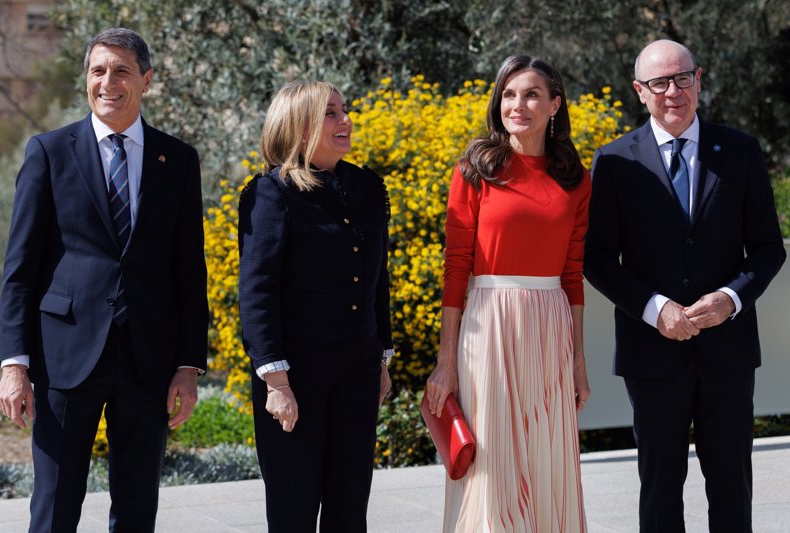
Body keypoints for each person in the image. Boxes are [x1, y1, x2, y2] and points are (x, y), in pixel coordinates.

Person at [0, 28, 208, 532]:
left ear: (146, 80)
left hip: (148, 359)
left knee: (137, 506)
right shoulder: (49, 152)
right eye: (97, 70)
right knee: (54, 506)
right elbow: (20, 268)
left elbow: (188, 270)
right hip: (64, 356)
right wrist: (14, 364)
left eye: (121, 71)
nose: (107, 82)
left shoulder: (177, 160)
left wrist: (188, 365)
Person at [584, 39, 786, 532]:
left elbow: (768, 247)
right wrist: (657, 310)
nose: (672, 92)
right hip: (652, 352)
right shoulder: (614, 161)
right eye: (659, 83)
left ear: (699, 80)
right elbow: (598, 259)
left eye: (682, 78)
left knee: (732, 485)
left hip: (728, 350)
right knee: (660, 488)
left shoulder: (740, 151)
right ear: (640, 91)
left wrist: (730, 299)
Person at [426, 55, 591, 532]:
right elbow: (456, 267)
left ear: (555, 105)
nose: (517, 104)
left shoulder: (575, 179)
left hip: (550, 326)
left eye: (531, 94)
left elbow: (572, 274)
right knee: (494, 464)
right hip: (488, 324)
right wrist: (446, 358)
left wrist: (578, 360)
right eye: (509, 94)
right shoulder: (475, 169)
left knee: (547, 459)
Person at [238, 80, 394, 532]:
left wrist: (380, 356)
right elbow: (257, 290)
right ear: (300, 125)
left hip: (357, 369)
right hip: (294, 374)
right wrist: (276, 381)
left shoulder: (366, 186)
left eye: (344, 110)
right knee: (294, 510)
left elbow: (377, 278)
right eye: (330, 113)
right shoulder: (271, 193)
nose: (345, 120)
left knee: (350, 509)